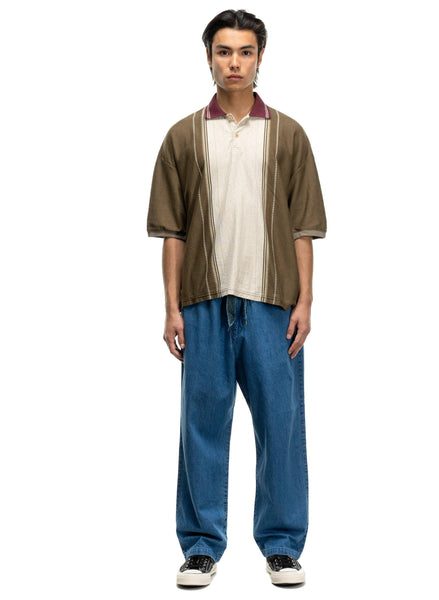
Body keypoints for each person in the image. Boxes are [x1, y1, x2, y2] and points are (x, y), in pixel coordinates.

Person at [147, 9, 327, 587]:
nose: (234, 63)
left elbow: (303, 228)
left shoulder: (289, 135)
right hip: (203, 301)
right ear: (209, 57)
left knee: (282, 426)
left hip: (273, 303)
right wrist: (171, 308)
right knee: (200, 425)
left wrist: (305, 303)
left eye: (245, 52)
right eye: (224, 51)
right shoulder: (182, 137)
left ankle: (283, 546)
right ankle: (200, 547)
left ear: (259, 58)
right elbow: (173, 232)